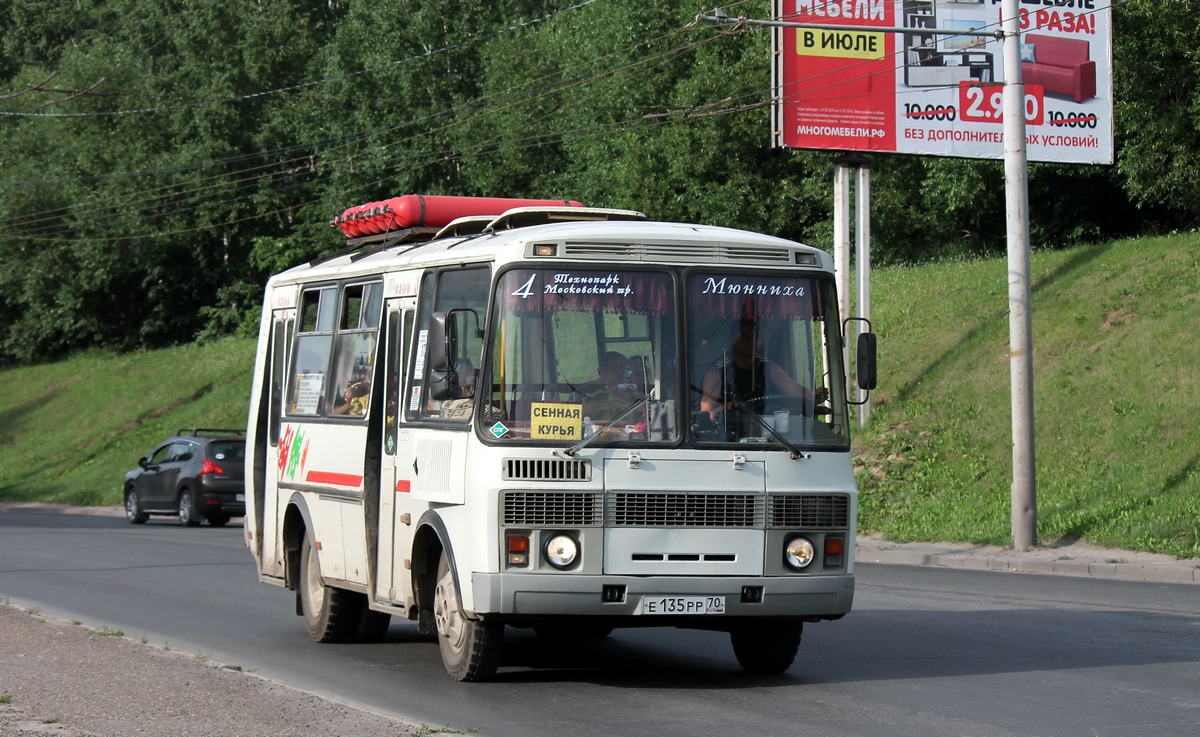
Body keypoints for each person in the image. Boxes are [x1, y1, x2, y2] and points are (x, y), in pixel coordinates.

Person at [699, 318, 825, 430]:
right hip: (729, 438)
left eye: (754, 336)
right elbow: (707, 415)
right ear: (733, 339)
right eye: (745, 336)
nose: (751, 341)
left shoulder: (769, 367)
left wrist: (813, 396)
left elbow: (793, 389)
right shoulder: (716, 372)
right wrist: (729, 407)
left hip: (769, 436)